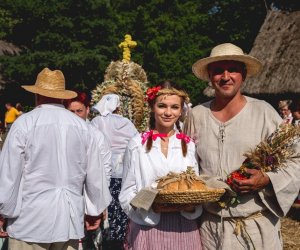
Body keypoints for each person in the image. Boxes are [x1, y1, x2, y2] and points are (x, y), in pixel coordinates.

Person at [185, 43, 300, 250]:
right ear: (210, 77)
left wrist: (266, 179)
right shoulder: (196, 116)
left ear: (244, 75)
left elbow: (295, 159)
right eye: (218, 70)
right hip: (210, 230)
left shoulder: (264, 113)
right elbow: (183, 162)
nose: (225, 76)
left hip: (256, 228)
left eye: (233, 69)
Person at [0, 68, 112, 250]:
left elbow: (9, 174)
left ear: (36, 94)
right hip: (69, 220)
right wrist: (94, 210)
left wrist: (3, 210)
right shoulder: (83, 127)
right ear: (62, 97)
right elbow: (95, 175)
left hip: (30, 220)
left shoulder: (25, 123)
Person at [119, 81, 203, 250]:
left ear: (181, 111)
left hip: (183, 227)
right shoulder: (137, 145)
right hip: (148, 225)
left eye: (174, 107)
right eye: (162, 106)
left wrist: (191, 205)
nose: (168, 112)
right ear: (152, 107)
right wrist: (149, 206)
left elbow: (195, 186)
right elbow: (127, 191)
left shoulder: (189, 146)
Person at [64, 91, 112, 250]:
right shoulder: (62, 133)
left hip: (90, 195)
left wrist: (98, 204)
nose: (76, 115)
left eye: (79, 111)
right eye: (71, 111)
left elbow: (105, 169)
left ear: (87, 110)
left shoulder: (96, 136)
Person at [91, 94, 138, 249]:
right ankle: (121, 236)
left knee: (107, 205)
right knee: (121, 205)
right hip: (123, 171)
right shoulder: (126, 122)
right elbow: (136, 144)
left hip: (103, 171)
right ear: (119, 107)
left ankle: (106, 236)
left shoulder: (96, 122)